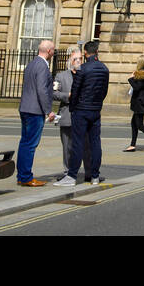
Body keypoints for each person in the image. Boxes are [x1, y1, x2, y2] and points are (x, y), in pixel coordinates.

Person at [56, 39, 109, 187]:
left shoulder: (82, 69)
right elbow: (104, 91)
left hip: (81, 110)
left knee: (77, 144)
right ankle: (95, 176)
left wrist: (73, 108)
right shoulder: (104, 69)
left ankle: (72, 176)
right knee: (95, 143)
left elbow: (76, 91)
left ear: (85, 53)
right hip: (95, 110)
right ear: (97, 52)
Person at [16, 39, 56, 187]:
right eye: (53, 50)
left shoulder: (31, 64)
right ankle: (26, 177)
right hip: (35, 110)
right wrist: (48, 111)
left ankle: (21, 175)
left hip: (25, 108)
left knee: (25, 143)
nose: (53, 53)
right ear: (49, 51)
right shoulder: (42, 66)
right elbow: (41, 90)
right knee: (31, 144)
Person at [52, 47, 82, 178]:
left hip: (82, 115)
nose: (78, 61)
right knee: (67, 146)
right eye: (75, 59)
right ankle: (67, 171)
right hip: (67, 114)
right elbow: (53, 93)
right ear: (70, 60)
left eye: (80, 59)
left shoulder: (85, 74)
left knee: (81, 146)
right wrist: (67, 95)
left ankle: (76, 170)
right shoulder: (61, 76)